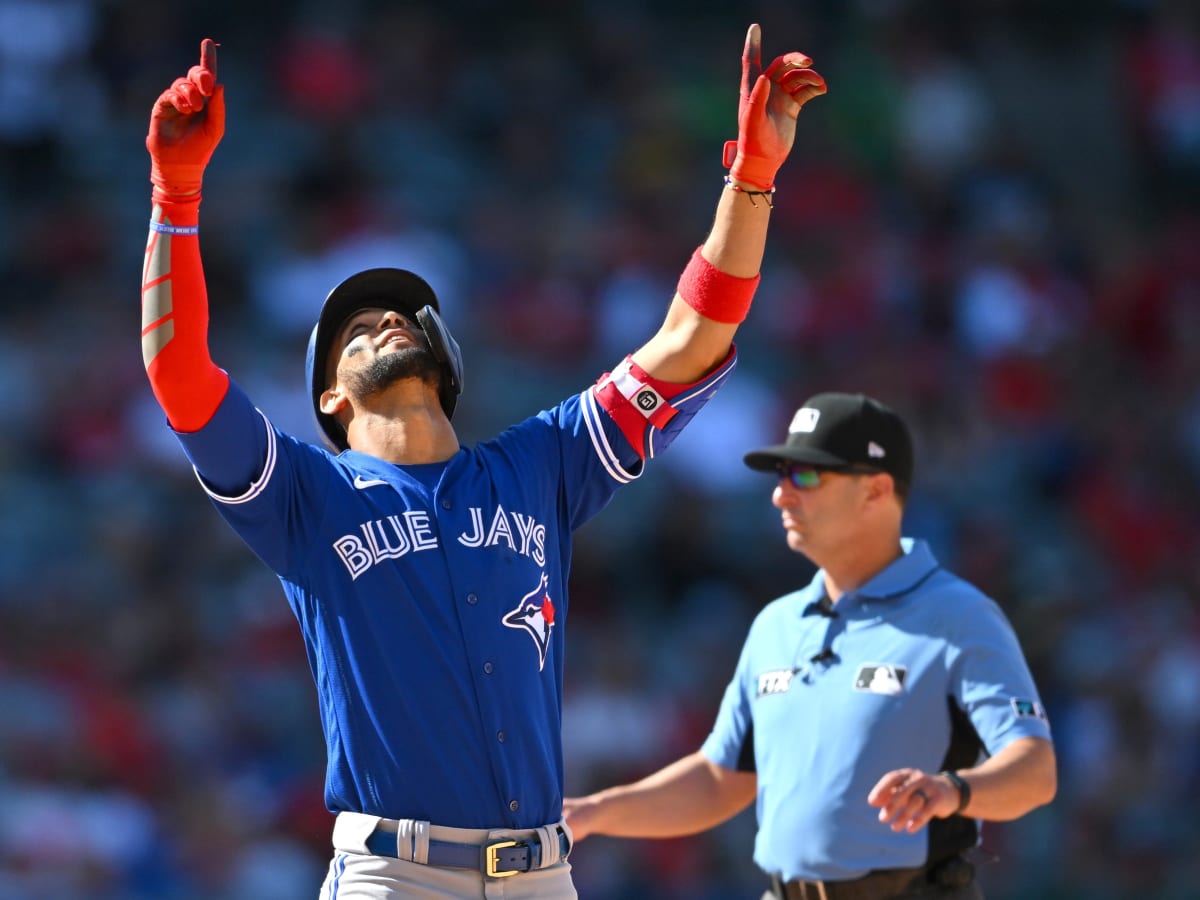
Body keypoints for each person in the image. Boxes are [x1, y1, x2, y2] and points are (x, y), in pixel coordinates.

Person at [139, 27, 827, 900]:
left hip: (543, 875)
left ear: (445, 356)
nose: (384, 323)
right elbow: (177, 370)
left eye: (397, 316)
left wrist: (753, 178)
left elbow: (692, 340)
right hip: (396, 874)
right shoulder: (305, 496)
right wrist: (177, 188)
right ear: (329, 403)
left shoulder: (540, 462)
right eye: (354, 333)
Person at [563, 392, 1057, 900]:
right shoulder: (777, 623)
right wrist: (593, 813)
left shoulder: (957, 615)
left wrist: (952, 791)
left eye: (806, 476)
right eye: (781, 476)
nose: (781, 495)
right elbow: (721, 778)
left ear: (876, 490)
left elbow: (1035, 770)